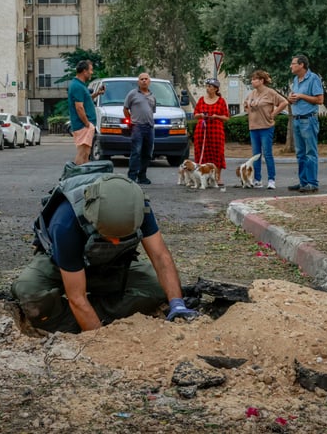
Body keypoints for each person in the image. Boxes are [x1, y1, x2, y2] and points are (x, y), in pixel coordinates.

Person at [11, 173, 198, 332]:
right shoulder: (66, 223)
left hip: (112, 266)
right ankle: (82, 320)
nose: (116, 242)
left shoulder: (137, 208)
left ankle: (93, 311)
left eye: (122, 237)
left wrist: (177, 305)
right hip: (61, 266)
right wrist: (99, 339)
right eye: (110, 236)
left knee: (159, 288)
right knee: (30, 294)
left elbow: (160, 257)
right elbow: (76, 297)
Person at [243, 70, 288, 190]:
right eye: (252, 79)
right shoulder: (251, 93)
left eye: (254, 79)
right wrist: (249, 112)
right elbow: (246, 105)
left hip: (266, 127)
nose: (252, 81)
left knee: (267, 154)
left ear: (261, 81)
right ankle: (257, 179)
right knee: (256, 155)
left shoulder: (270, 92)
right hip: (253, 127)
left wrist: (273, 113)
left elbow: (284, 102)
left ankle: (271, 179)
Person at [287, 55, 324, 193]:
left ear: (301, 65)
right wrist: (290, 98)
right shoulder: (296, 80)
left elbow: (320, 100)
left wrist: (301, 96)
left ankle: (312, 183)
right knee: (300, 153)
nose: (291, 66)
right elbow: (294, 97)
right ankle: (303, 182)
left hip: (308, 119)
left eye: (293, 63)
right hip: (296, 119)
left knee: (310, 152)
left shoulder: (313, 78)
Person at [192, 78, 229, 186]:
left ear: (216, 89)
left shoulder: (221, 101)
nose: (208, 89)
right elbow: (195, 114)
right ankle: (203, 176)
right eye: (207, 86)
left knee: (217, 153)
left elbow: (226, 117)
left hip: (216, 131)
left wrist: (216, 116)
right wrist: (201, 115)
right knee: (202, 153)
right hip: (202, 130)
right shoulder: (201, 99)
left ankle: (217, 177)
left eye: (210, 87)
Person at [68, 60, 105, 166]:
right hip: (83, 126)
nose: (91, 72)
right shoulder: (77, 86)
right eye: (90, 70)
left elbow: (86, 99)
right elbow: (79, 107)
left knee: (86, 154)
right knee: (83, 153)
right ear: (84, 71)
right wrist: (87, 124)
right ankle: (76, 177)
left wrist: (97, 93)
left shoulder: (80, 85)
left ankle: (82, 177)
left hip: (85, 125)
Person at [124, 72, 156, 185]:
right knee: (136, 152)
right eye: (141, 79)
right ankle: (131, 177)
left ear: (149, 81)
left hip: (149, 127)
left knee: (147, 153)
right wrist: (130, 121)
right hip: (137, 127)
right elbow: (125, 109)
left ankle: (142, 176)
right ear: (138, 81)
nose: (144, 81)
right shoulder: (132, 94)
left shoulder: (152, 96)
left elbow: (151, 111)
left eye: (146, 79)